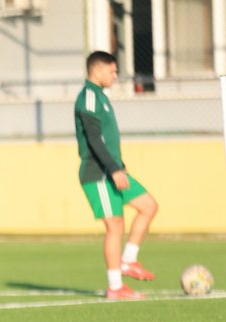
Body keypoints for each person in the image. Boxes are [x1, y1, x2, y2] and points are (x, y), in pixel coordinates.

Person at [74, 51, 159, 300]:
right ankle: (115, 286)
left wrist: (119, 166)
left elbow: (107, 139)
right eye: (112, 71)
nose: (115, 75)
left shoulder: (101, 96)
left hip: (113, 169)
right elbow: (93, 139)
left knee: (148, 206)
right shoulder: (89, 97)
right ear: (97, 70)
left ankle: (129, 260)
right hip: (98, 173)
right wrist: (113, 168)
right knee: (115, 226)